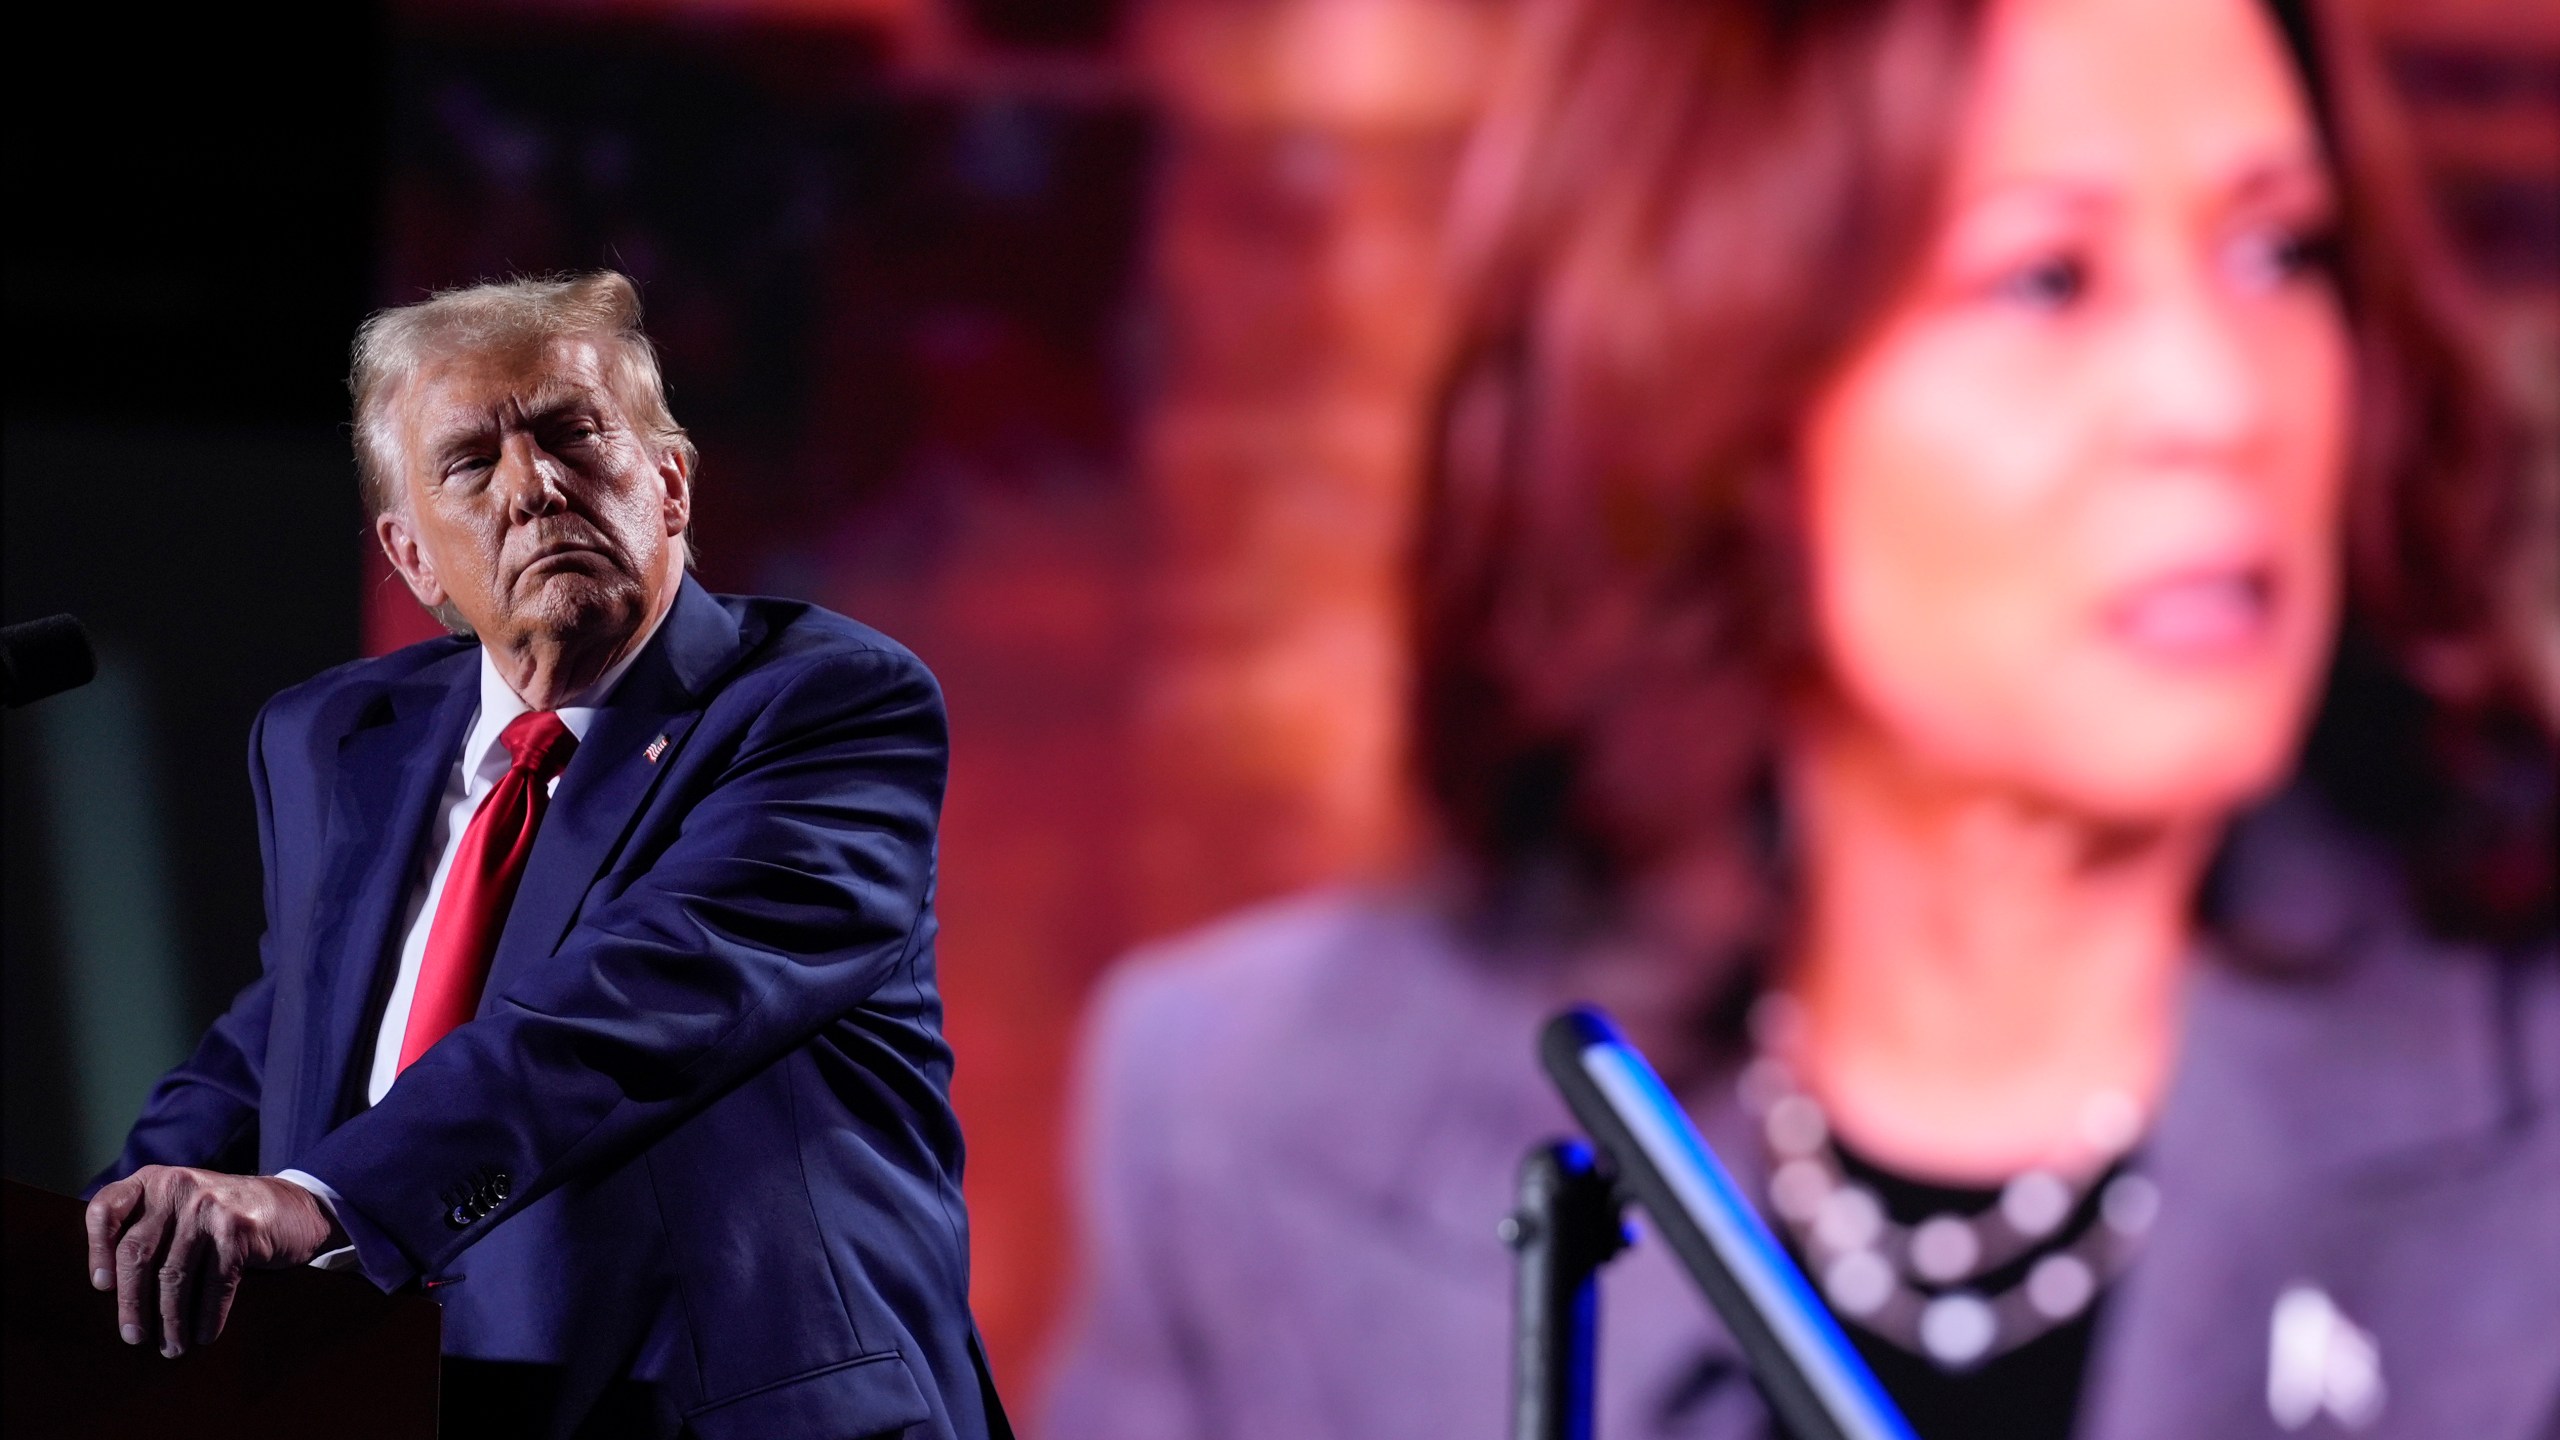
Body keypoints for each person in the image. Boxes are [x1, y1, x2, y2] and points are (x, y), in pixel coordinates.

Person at [1042, 0, 2557, 1436]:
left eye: (2278, 252)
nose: (2218, 399)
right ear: (1723, 390)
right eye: (2046, 279)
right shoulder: (1252, 1129)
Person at [82, 273, 1007, 1440]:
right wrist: (105, 1246)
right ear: (413, 557)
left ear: (667, 484)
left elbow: (634, 1005)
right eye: (472, 462)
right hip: (405, 1406)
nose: (535, 487)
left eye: (572, 434)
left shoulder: (823, 704)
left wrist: (319, 1200)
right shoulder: (335, 738)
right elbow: (285, 1032)